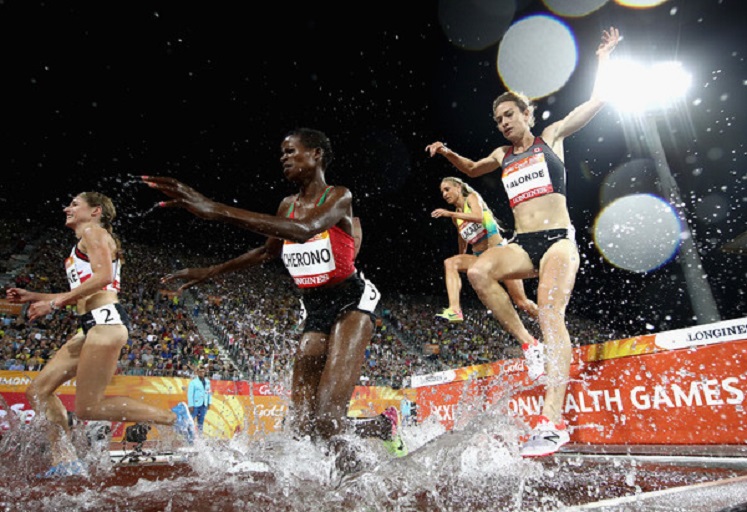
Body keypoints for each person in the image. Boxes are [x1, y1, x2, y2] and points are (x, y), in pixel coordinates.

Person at [142, 127, 406, 470]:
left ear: (316, 155)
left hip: (351, 303)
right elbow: (268, 251)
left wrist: (214, 209)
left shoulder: (338, 196)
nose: (284, 158)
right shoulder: (286, 205)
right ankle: (381, 425)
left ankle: (363, 488)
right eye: (282, 152)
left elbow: (303, 230)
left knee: (327, 418)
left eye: (291, 151)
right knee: (303, 424)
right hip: (314, 309)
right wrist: (209, 271)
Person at [425, 27, 620, 457]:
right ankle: (529, 347)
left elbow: (596, 102)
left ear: (527, 115)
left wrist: (604, 58)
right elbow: (473, 170)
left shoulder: (551, 138)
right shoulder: (501, 155)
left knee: (551, 312)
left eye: (509, 116)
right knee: (477, 269)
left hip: (557, 241)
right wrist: (447, 153)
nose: (503, 123)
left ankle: (552, 423)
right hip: (523, 242)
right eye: (498, 120)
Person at [6, 191, 195, 478]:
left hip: (106, 325)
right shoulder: (86, 241)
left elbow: (105, 277)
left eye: (74, 204)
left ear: (95, 211)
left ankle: (173, 416)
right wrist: (35, 296)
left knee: (89, 407)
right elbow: (88, 290)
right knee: (38, 391)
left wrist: (53, 304)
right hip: (91, 325)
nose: (67, 208)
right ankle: (66, 460)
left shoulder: (93, 232)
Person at [432, 176, 539, 324]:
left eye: (447, 189)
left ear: (458, 187)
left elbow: (477, 217)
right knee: (451, 263)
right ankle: (455, 310)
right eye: (442, 191)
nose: (444, 194)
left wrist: (450, 213)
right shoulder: (456, 217)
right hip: (481, 258)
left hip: (500, 255)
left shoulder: (472, 198)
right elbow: (462, 238)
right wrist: (461, 257)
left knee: (522, 303)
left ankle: (547, 322)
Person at [188, 366, 212, 433]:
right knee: (191, 420)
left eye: (203, 371)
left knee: (201, 422)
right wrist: (190, 405)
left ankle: (200, 437)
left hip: (204, 405)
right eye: (200, 371)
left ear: (205, 372)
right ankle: (190, 436)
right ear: (198, 372)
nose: (202, 373)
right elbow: (190, 394)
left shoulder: (207, 382)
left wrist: (209, 402)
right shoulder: (193, 382)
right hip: (195, 405)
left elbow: (209, 392)